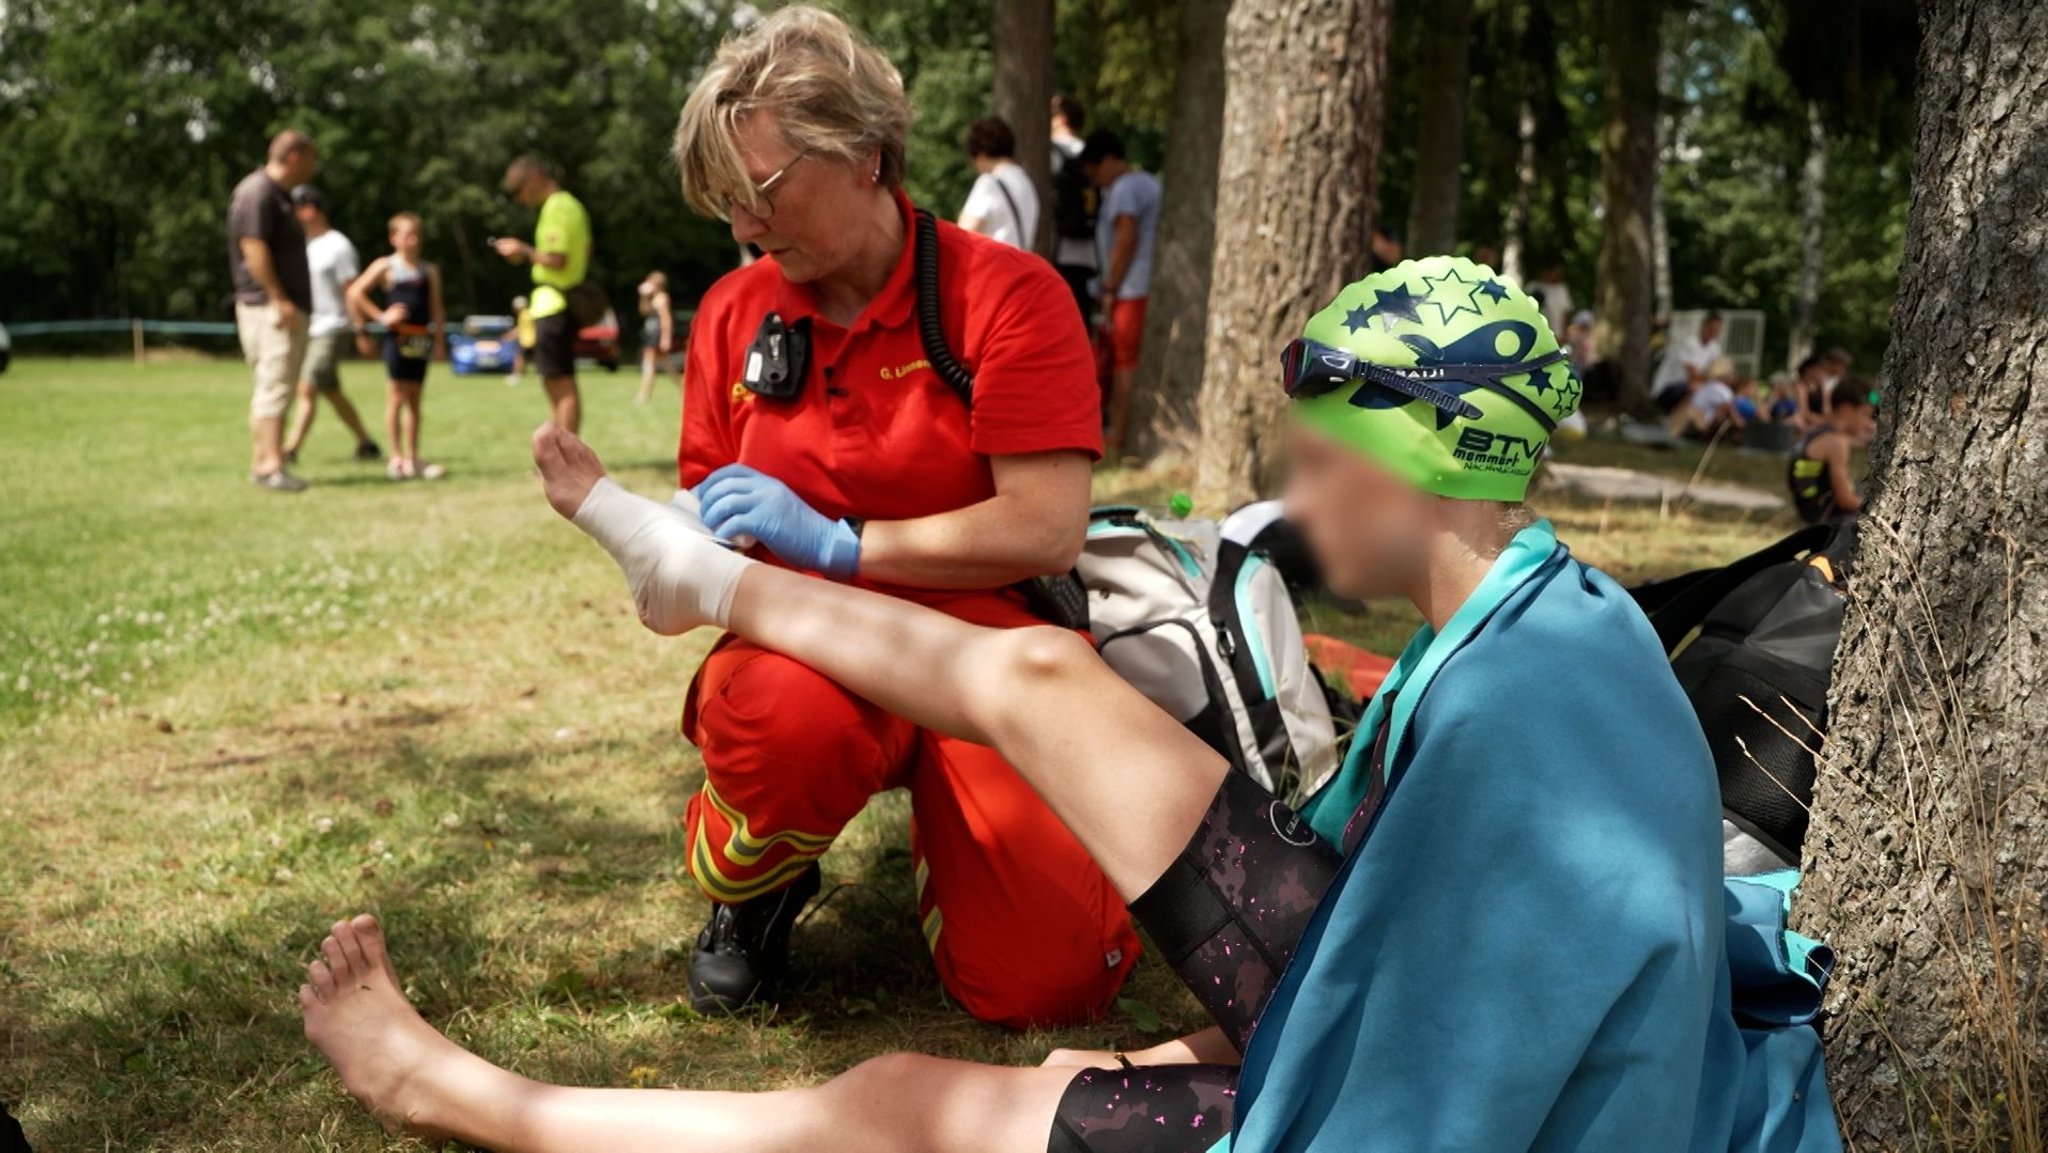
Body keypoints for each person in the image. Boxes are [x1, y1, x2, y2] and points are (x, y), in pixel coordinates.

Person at [299, 257, 1838, 1153]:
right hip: (1451, 1037)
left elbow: (1453, 1096)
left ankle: (458, 1092)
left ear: (1407, 462)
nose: (1292, 488)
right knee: (1039, 670)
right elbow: (1451, 945)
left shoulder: (1520, 709)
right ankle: (703, 580)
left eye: (1312, 452)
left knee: (900, 1101)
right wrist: (1244, 1037)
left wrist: (1243, 1083)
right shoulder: (1559, 614)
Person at [662, 7, 1132, 1026]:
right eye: (725, 204)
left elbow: (1044, 529)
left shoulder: (1006, 295)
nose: (744, 228)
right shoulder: (734, 313)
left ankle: (954, 836)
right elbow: (705, 500)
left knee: (1052, 984)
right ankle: (751, 886)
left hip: (986, 638)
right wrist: (667, 535)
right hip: (807, 641)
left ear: (869, 155)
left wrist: (842, 542)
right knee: (779, 726)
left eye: (763, 192)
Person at [227, 129, 320, 492]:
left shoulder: (273, 193)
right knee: (275, 387)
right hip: (270, 308)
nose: (314, 167)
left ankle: (265, 461)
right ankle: (270, 467)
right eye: (312, 158)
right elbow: (252, 246)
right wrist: (280, 298)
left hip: (272, 306)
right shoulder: (259, 191)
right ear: (295, 156)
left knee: (273, 386)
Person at [281, 186, 382, 465]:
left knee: (307, 387)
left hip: (334, 327)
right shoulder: (305, 245)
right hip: (309, 328)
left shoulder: (338, 245)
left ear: (311, 209)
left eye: (297, 208)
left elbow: (352, 291)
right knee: (331, 391)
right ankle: (366, 443)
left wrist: (361, 330)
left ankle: (289, 449)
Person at [347, 212, 448, 481]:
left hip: (420, 341)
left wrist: (439, 342)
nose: (413, 240)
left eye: (417, 235)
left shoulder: (429, 270)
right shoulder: (386, 266)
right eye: (407, 235)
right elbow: (355, 292)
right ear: (394, 238)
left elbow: (436, 307)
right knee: (396, 397)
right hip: (397, 341)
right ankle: (396, 457)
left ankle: (414, 457)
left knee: (415, 399)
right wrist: (381, 316)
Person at [1078, 129, 1161, 454]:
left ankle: (1117, 435)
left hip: (1129, 288)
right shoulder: (1146, 182)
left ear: (1110, 160)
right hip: (1136, 285)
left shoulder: (1125, 189)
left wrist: (1111, 286)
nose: (1097, 181)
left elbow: (1125, 239)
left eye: (1095, 171)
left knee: (1123, 362)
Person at [495, 156, 591, 433]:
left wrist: (523, 251)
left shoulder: (558, 207)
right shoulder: (570, 205)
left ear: (536, 176)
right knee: (554, 382)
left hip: (555, 305)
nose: (518, 198)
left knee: (560, 384)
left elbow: (556, 259)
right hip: (557, 303)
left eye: (519, 188)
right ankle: (560, 459)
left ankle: (567, 463)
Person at [1788, 378, 1876, 524]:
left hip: (1810, 514)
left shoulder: (1816, 434)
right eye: (1865, 415)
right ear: (1847, 409)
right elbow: (1845, 500)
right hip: (1828, 523)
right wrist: (1879, 509)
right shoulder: (1836, 443)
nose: (1868, 423)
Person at [1048, 95, 1097, 321]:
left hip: (1058, 251)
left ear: (1062, 119)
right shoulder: (1090, 153)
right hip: (1087, 253)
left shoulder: (1052, 153)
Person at [958, 117, 1039, 250]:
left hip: (996, 266)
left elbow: (963, 234)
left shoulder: (989, 183)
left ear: (981, 155)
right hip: (1021, 265)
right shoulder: (1026, 182)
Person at [1651, 310, 1725, 412]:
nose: (1715, 333)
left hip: (1693, 385)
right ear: (1704, 326)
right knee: (1695, 388)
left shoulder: (1715, 348)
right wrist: (1713, 375)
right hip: (1668, 389)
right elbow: (1693, 375)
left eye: (1717, 330)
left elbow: (1717, 373)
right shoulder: (1688, 343)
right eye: (1712, 329)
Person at [635, 272, 677, 404]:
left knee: (649, 364)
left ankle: (644, 394)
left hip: (657, 334)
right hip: (651, 333)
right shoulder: (652, 298)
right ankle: (685, 388)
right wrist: (643, 296)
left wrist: (666, 338)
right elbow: (643, 311)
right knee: (667, 365)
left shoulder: (662, 298)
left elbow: (666, 319)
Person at [1524, 259, 1574, 343]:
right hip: (1536, 331)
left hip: (1556, 334)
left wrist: (1564, 333)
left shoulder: (1561, 289)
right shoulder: (1533, 287)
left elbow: (1566, 313)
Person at [510, 295, 535, 381]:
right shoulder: (528, 313)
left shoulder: (524, 314)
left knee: (519, 357)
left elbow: (520, 329)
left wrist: (510, 335)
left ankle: (516, 375)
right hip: (532, 340)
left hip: (526, 340)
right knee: (536, 359)